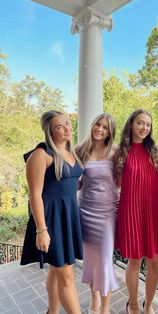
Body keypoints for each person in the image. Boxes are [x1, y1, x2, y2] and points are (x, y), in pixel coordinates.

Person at [21, 110, 83, 314]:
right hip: (51, 221)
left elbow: (67, 182)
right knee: (66, 276)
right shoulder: (41, 155)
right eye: (59, 126)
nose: (67, 128)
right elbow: (35, 196)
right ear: (50, 131)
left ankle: (52, 311)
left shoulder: (71, 152)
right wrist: (42, 230)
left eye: (67, 123)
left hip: (68, 216)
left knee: (57, 272)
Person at [114, 109, 158, 314]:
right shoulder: (120, 151)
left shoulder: (156, 149)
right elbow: (116, 182)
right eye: (140, 123)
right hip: (131, 210)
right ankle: (133, 303)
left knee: (154, 260)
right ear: (131, 124)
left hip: (153, 210)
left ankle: (149, 303)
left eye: (148, 124)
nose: (144, 127)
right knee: (134, 260)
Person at [75, 113, 119, 314]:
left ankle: (105, 309)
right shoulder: (80, 150)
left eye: (105, 127)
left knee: (104, 261)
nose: (100, 129)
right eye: (98, 125)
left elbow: (126, 179)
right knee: (91, 260)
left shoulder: (116, 152)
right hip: (85, 211)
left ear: (110, 132)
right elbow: (74, 182)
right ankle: (94, 296)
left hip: (108, 213)